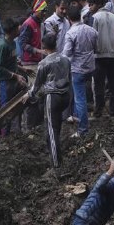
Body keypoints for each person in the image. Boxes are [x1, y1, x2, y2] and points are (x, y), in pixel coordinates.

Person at [27, 34, 70, 168]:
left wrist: (29, 95)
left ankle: (56, 165)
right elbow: (70, 78)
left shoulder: (44, 63)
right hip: (66, 95)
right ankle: (58, 157)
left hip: (53, 97)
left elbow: (37, 84)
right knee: (57, 127)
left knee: (51, 130)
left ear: (44, 46)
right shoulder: (65, 59)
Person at [62, 5, 97, 138]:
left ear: (69, 18)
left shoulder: (71, 33)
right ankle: (78, 117)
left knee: (80, 98)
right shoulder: (91, 30)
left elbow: (66, 54)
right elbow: (95, 47)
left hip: (78, 69)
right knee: (84, 95)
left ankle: (83, 129)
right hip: (90, 67)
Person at [89, 0, 114, 118]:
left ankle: (99, 110)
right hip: (113, 54)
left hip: (99, 55)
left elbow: (93, 36)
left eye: (92, 4)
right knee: (113, 83)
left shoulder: (95, 17)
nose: (90, 7)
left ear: (97, 5)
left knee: (99, 85)